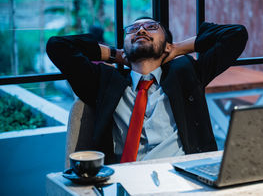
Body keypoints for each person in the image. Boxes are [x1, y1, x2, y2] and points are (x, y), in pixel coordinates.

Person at [46, 17, 248, 164]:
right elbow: (57, 46)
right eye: (132, 30)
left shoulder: (186, 73)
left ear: (167, 46)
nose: (141, 31)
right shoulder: (104, 82)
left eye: (151, 27)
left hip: (182, 178)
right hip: (125, 182)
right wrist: (113, 54)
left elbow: (236, 35)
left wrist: (178, 48)